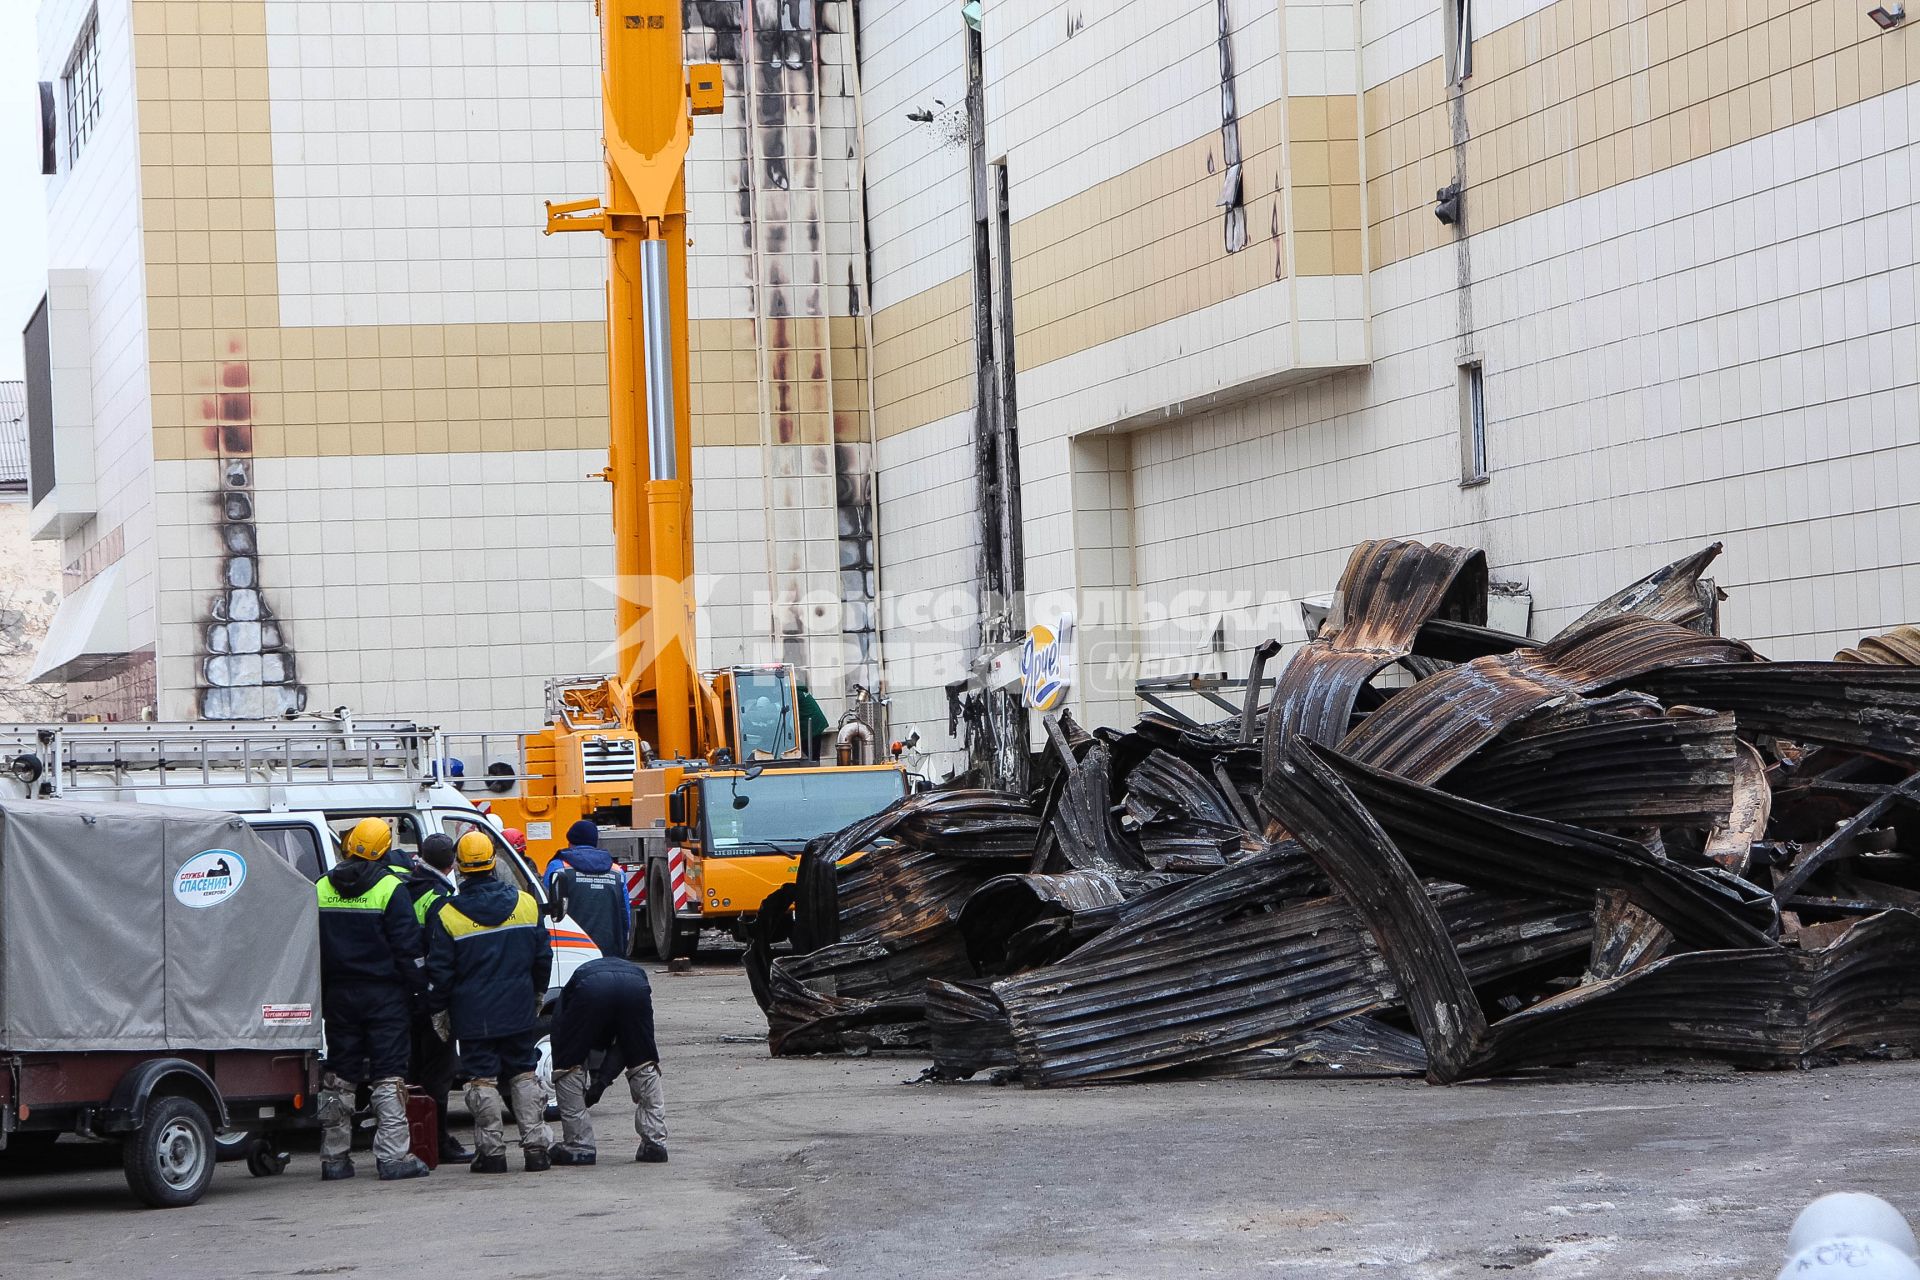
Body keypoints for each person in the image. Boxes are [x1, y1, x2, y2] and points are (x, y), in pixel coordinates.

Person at [426, 830, 554, 1174]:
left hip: (473, 1016)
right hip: (518, 1009)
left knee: (481, 1080)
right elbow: (543, 957)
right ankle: (536, 1149)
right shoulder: (526, 904)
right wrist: (537, 994)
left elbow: (440, 972)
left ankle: (492, 1154)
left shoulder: (447, 914)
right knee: (523, 1073)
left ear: (460, 868)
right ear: (494, 861)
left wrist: (438, 1009)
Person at [315, 817, 432, 1182]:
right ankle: (393, 1158)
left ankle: (334, 1159)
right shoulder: (390, 888)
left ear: (348, 844)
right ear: (383, 850)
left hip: (337, 994)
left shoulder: (320, 886)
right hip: (384, 996)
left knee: (340, 1075)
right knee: (388, 1073)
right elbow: (407, 948)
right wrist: (419, 993)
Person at [547, 956, 668, 1166]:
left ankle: (579, 1145)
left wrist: (592, 1084)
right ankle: (655, 1143)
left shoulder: (570, 1002)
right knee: (643, 1058)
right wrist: (600, 1082)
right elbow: (626, 1050)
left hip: (590, 987)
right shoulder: (611, 1021)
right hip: (635, 984)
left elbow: (563, 1048)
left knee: (567, 1065)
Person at [400, 834, 471, 1165]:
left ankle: (414, 1139)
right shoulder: (439, 898)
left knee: (412, 1072)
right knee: (439, 1073)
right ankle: (437, 1141)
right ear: (452, 862)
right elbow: (441, 955)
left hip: (405, 995)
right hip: (431, 997)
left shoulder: (406, 886)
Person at [544, 820, 630, 959]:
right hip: (608, 950)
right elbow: (625, 914)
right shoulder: (617, 871)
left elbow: (546, 907)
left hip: (570, 949)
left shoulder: (558, 867)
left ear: (570, 842)